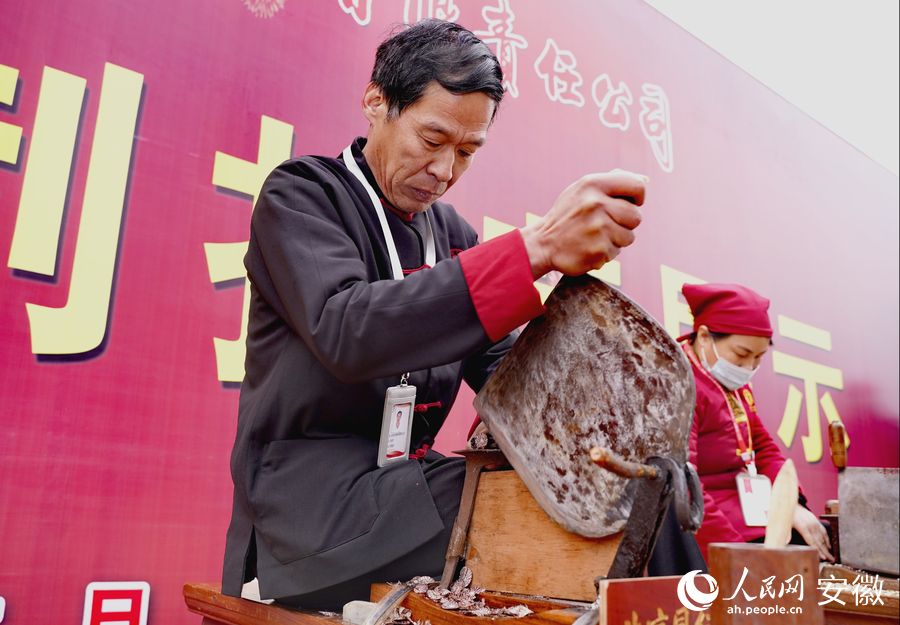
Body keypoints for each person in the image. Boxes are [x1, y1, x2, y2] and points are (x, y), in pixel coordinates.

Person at [221, 19, 648, 609]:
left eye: (468, 152)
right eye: (432, 139)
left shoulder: (452, 235)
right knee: (491, 507)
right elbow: (348, 330)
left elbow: (510, 374)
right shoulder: (301, 196)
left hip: (402, 497)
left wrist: (614, 431)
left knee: (610, 504)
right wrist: (535, 250)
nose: (445, 171)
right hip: (307, 513)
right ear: (376, 101)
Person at [677, 283, 834, 562]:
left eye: (758, 358)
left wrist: (793, 507)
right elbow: (684, 485)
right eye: (740, 355)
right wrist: (737, 558)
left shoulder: (733, 384)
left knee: (816, 537)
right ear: (704, 336)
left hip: (749, 515)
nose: (748, 368)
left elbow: (762, 449)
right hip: (709, 525)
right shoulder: (679, 384)